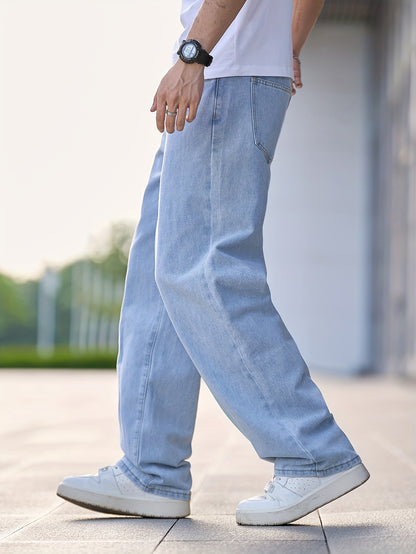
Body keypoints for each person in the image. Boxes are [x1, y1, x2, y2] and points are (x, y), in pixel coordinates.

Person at [57, 0, 369, 526]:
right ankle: (150, 471)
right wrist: (284, 48)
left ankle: (312, 449)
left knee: (205, 271)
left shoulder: (208, 60)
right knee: (161, 273)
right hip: (236, 69)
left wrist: (193, 54)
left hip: (224, 72)